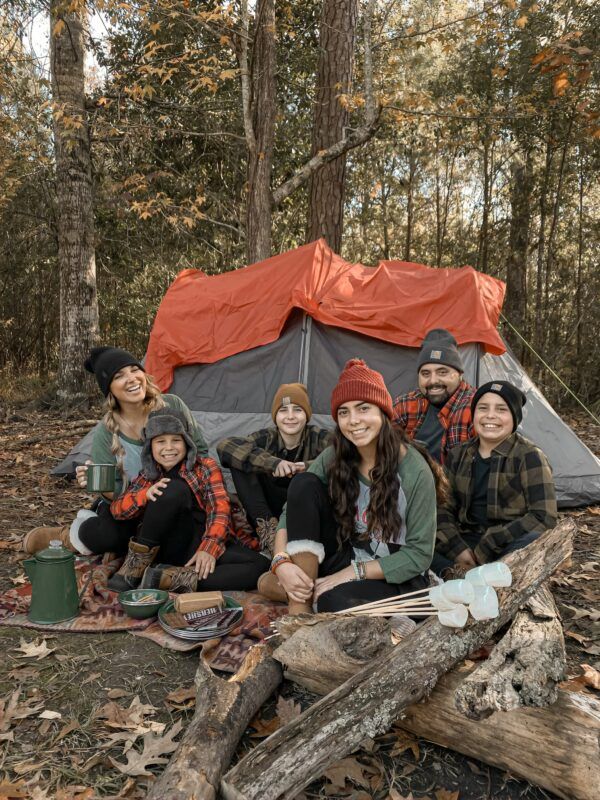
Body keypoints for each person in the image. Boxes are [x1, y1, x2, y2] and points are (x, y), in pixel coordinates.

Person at [267, 359, 448, 614]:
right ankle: (300, 608)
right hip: (347, 553)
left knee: (335, 602)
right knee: (303, 483)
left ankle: (302, 591)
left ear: (382, 413)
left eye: (363, 409)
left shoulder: (414, 471)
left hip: (393, 573)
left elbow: (418, 555)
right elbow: (292, 509)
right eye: (344, 412)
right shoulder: (335, 455)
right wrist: (281, 562)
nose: (353, 420)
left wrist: (351, 574)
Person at [23, 346, 208, 556]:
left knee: (181, 537)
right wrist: (100, 485)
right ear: (109, 388)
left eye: (134, 370)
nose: (132, 379)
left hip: (179, 499)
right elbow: (117, 498)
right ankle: (68, 537)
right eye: (119, 376)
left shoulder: (172, 405)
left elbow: (200, 450)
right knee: (112, 536)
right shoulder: (107, 432)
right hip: (132, 506)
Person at [108, 407, 268, 592]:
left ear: (187, 443)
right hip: (165, 546)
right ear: (150, 447)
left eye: (176, 440)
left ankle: (165, 579)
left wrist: (209, 548)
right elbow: (117, 510)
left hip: (198, 543)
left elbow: (220, 509)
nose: (169, 448)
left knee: (259, 565)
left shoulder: (205, 467)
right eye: (160, 441)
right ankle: (134, 568)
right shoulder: (148, 476)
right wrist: (145, 495)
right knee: (173, 488)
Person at [434, 380, 557, 574]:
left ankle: (480, 576)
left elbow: (543, 516)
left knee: (533, 541)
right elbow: (442, 506)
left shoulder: (529, 456)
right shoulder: (459, 454)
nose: (490, 415)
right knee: (416, 540)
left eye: (501, 409)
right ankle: (456, 573)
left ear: (514, 418)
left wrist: (490, 542)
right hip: (466, 540)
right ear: (474, 414)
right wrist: (458, 549)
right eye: (483, 408)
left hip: (507, 541)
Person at [217, 383, 331, 553]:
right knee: (241, 461)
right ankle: (269, 533)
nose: (290, 416)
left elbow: (345, 453)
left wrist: (308, 467)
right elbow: (226, 446)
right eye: (284, 410)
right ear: (275, 416)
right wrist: (273, 463)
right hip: (268, 508)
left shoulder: (319, 437)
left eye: (298, 410)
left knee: (325, 470)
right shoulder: (267, 437)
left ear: (306, 415)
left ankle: (308, 538)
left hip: (305, 510)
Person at [392, 328, 474, 464]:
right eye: (425, 374)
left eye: (442, 372)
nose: (433, 381)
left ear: (459, 374)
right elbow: (382, 443)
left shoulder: (476, 407)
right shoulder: (406, 403)